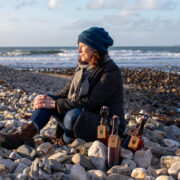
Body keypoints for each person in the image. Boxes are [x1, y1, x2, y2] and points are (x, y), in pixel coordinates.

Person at [0, 27, 126, 149]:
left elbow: (91, 102)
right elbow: (65, 94)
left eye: (83, 46)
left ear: (95, 49)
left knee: (72, 116)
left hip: (106, 124)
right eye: (79, 46)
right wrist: (45, 100)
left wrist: (55, 104)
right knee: (47, 100)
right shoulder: (83, 68)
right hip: (82, 116)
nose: (79, 50)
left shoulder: (110, 71)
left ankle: (66, 140)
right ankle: (24, 135)